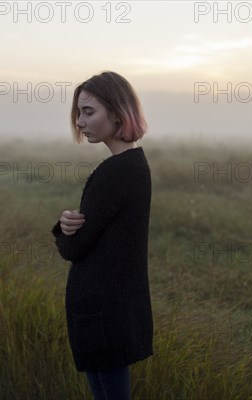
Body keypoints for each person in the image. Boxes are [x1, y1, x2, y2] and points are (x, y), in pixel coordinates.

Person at [50, 71, 153, 400]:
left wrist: (62, 231)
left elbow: (75, 247)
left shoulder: (116, 172)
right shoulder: (136, 165)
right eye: (78, 113)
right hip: (113, 307)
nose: (79, 122)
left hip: (103, 311)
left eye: (88, 112)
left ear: (118, 113)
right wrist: (68, 224)